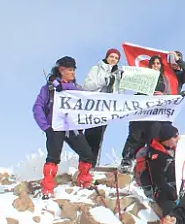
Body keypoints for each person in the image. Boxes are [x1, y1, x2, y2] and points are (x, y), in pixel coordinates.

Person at [32, 56, 96, 199]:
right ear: (61, 70)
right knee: (53, 158)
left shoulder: (77, 90)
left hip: (73, 128)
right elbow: (38, 107)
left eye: (74, 70)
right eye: (70, 70)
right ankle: (48, 188)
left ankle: (84, 180)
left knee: (87, 153)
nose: (73, 73)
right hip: (55, 127)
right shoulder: (49, 89)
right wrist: (46, 127)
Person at [119, 54, 185, 171]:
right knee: (135, 134)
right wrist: (125, 75)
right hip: (142, 109)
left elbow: (168, 93)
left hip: (156, 113)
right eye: (153, 63)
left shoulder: (164, 78)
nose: (155, 65)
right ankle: (127, 159)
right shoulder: (143, 75)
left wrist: (163, 96)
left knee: (152, 136)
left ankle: (148, 162)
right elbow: (131, 82)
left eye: (158, 63)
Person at [140, 123, 180, 224]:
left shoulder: (179, 148)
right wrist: (171, 192)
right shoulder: (156, 155)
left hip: (178, 185)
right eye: (174, 138)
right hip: (160, 189)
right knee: (169, 207)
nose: (177, 139)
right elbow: (158, 179)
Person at [83, 48, 123, 163]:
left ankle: (93, 164)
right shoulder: (96, 68)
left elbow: (119, 94)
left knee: (98, 137)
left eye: (116, 58)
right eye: (112, 57)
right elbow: (87, 86)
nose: (113, 60)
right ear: (107, 57)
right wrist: (104, 81)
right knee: (89, 135)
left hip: (106, 109)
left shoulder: (118, 74)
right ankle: (84, 164)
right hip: (94, 106)